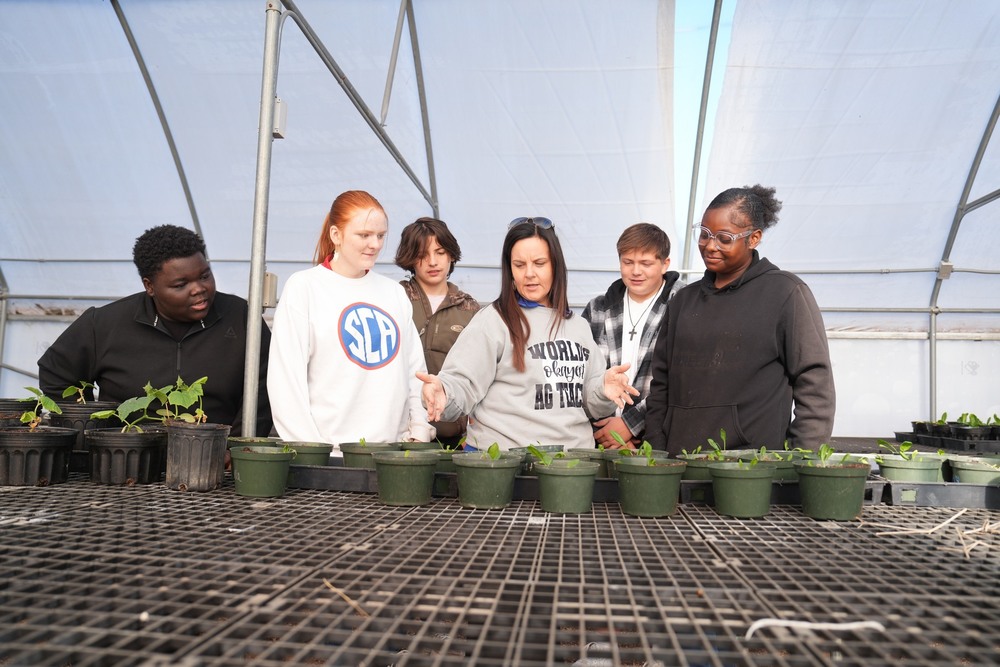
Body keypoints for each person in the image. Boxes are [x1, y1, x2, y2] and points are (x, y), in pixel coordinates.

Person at [417, 216, 639, 451]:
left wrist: (604, 390)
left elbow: (592, 404)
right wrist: (443, 392)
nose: (529, 273)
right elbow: (462, 382)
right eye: (519, 265)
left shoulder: (578, 327)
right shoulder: (494, 321)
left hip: (571, 464)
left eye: (539, 263)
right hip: (505, 462)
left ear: (555, 265)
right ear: (510, 270)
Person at [645, 185, 835, 455]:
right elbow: (661, 385)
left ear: (753, 238)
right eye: (705, 234)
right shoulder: (683, 301)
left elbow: (814, 383)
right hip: (680, 463)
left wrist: (800, 458)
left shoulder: (785, 293)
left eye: (724, 238)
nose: (710, 246)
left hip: (750, 468)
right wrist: (657, 449)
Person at [37, 224, 273, 436]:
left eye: (204, 276)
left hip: (217, 457)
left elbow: (266, 388)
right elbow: (56, 372)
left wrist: (233, 446)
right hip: (128, 458)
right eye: (181, 284)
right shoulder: (104, 323)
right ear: (149, 286)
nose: (199, 289)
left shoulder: (241, 317)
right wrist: (89, 430)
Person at [267, 190, 434, 447]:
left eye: (380, 235)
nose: (375, 244)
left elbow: (415, 371)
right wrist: (313, 452)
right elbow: (286, 382)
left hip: (391, 454)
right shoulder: (304, 287)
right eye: (364, 235)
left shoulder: (393, 293)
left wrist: (419, 431)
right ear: (336, 235)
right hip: (329, 455)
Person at [582, 223, 684, 449]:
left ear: (665, 264)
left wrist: (630, 426)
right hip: (600, 437)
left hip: (658, 440)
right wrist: (607, 434)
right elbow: (582, 375)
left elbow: (681, 380)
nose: (636, 271)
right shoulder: (598, 309)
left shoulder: (683, 304)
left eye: (646, 263)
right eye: (628, 262)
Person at [394, 217, 481, 448]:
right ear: (410, 258)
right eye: (422, 255)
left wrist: (472, 427)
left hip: (455, 435)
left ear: (451, 255)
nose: (432, 262)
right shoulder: (393, 299)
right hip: (401, 433)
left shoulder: (470, 309)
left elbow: (480, 374)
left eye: (440, 252)